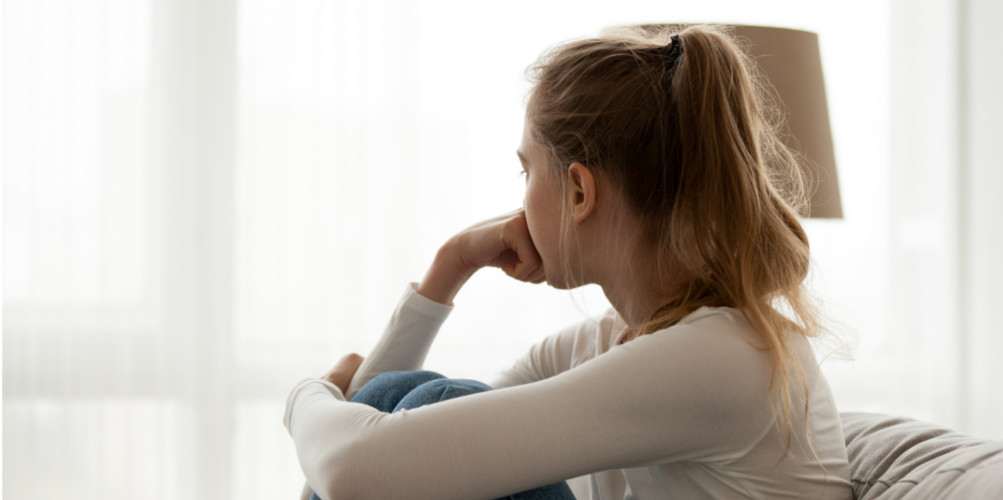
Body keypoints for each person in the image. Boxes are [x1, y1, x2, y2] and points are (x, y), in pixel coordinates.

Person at [284, 24, 852, 500]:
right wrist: (450, 267)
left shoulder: (722, 355)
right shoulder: (609, 343)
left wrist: (307, 395)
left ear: (579, 192)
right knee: (421, 408)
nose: (521, 195)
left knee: (440, 400)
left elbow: (353, 469)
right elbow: (409, 446)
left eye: (526, 170)